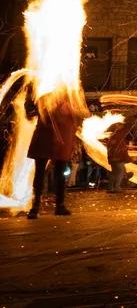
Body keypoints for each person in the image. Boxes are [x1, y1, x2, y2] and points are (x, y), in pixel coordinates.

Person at [25, 85, 86, 219]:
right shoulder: (44, 99)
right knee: (41, 173)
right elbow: (29, 113)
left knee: (58, 175)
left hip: (61, 141)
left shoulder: (70, 102)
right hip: (45, 139)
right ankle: (36, 206)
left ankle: (59, 205)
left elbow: (79, 119)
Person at [106, 115, 136, 193]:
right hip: (119, 158)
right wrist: (133, 118)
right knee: (120, 172)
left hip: (113, 158)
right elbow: (127, 128)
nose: (121, 126)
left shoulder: (112, 136)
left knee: (113, 173)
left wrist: (109, 158)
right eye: (120, 125)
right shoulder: (118, 135)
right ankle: (117, 187)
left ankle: (109, 188)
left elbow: (109, 148)